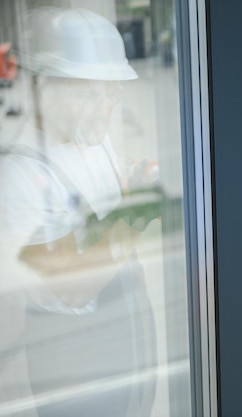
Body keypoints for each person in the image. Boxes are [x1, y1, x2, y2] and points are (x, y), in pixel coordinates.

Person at [0, 7, 159, 417]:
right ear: (43, 86)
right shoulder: (22, 172)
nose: (104, 109)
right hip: (75, 353)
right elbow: (73, 287)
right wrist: (138, 211)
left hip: (124, 328)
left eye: (111, 93)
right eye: (89, 93)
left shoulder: (92, 140)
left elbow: (106, 198)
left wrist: (129, 184)